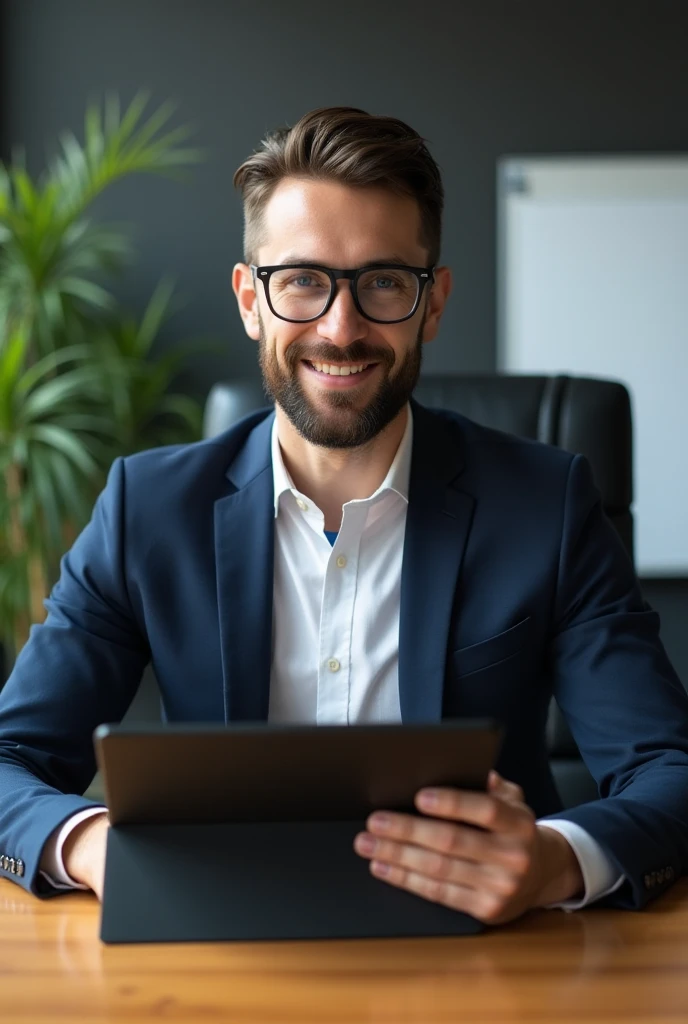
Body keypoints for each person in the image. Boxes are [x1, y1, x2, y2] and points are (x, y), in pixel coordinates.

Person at [1, 107, 687, 926]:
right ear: (251, 300)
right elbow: (10, 761)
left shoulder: (547, 504)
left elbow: (668, 769)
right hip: (216, 939)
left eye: (384, 282)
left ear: (432, 305)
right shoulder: (146, 511)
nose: (340, 326)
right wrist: (91, 844)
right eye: (302, 280)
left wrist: (553, 860)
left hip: (485, 955)